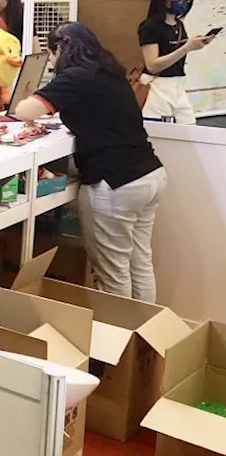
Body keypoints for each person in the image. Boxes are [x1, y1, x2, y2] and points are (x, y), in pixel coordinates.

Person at [13, 23, 168, 302]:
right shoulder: (110, 73)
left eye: (50, 55)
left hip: (115, 182)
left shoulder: (74, 77)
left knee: (114, 274)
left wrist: (26, 88)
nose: (51, 61)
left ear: (60, 49)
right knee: (140, 263)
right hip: (150, 174)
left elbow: (24, 111)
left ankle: (118, 342)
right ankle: (142, 339)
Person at [138, 0, 216, 124]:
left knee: (189, 128)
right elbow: (152, 65)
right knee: (160, 133)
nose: (183, 2)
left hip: (178, 85)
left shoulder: (177, 24)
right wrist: (187, 47)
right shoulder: (150, 27)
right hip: (158, 88)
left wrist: (195, 45)